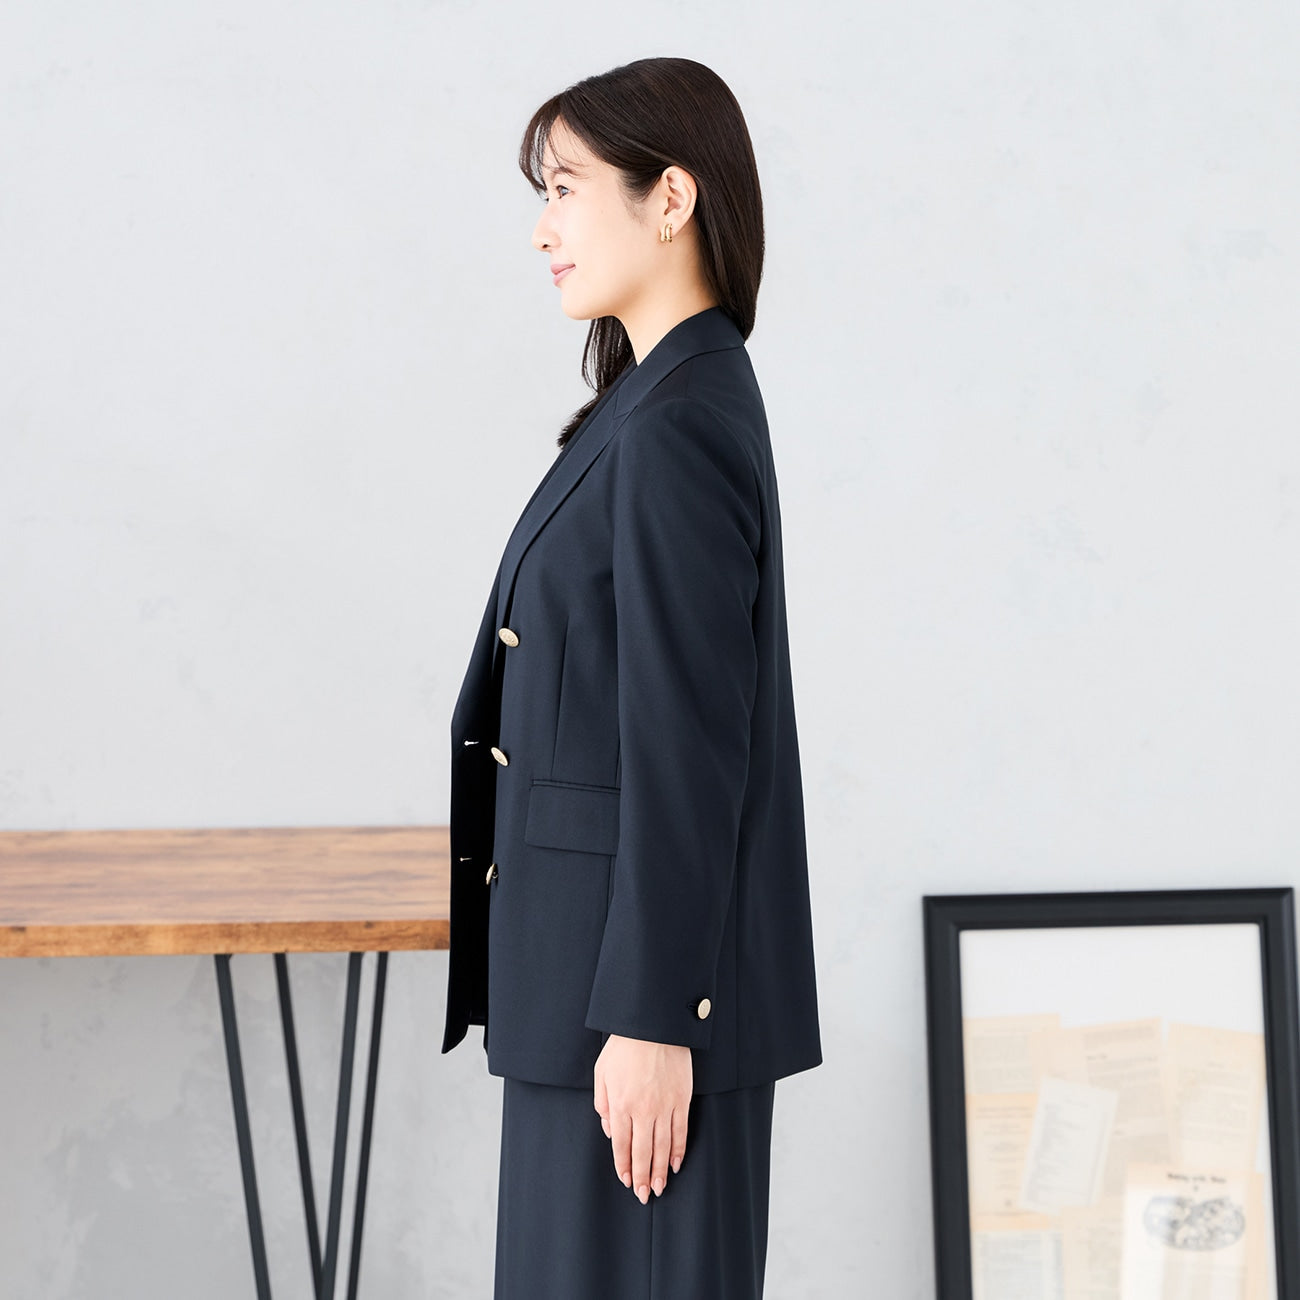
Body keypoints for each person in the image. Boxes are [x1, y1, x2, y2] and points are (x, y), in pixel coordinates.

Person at [441, 56, 822, 1299]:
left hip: (635, 1019)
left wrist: (655, 1018)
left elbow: (688, 742)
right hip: (584, 998)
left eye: (565, 187)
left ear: (671, 197)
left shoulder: (677, 423)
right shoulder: (645, 403)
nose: (542, 227)